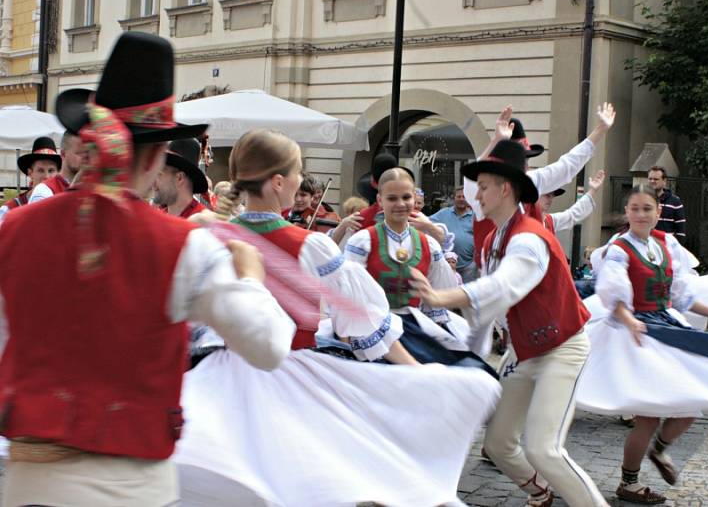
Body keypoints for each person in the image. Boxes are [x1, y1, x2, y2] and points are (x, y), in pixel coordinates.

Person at [0, 31, 296, 507]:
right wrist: (250, 275)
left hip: (31, 485)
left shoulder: (13, 229)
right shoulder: (184, 248)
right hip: (132, 489)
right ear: (159, 158)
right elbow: (267, 346)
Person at [174, 129, 500, 507]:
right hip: (290, 379)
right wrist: (418, 372)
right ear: (279, 182)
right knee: (318, 477)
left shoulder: (208, 234)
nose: (299, 183)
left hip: (218, 375)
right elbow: (363, 321)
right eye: (298, 173)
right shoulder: (310, 245)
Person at [410, 139, 608, 507]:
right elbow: (491, 311)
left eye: (482, 186)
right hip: (524, 351)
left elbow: (502, 285)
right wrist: (468, 357)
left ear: (504, 189)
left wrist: (442, 298)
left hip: (563, 347)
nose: (476, 194)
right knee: (498, 444)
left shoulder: (529, 239)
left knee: (543, 448)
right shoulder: (493, 240)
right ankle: (541, 493)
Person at [576, 184, 708, 504]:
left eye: (647, 208)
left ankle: (659, 451)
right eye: (634, 208)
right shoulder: (620, 248)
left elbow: (681, 295)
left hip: (664, 326)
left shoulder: (666, 243)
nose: (640, 214)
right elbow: (612, 293)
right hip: (634, 334)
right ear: (627, 213)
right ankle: (630, 483)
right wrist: (630, 318)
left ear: (658, 213)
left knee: (692, 400)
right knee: (648, 415)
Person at [346, 167, 495, 372]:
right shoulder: (362, 242)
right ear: (380, 200)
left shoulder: (428, 244)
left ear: (414, 197)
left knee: (469, 370)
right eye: (392, 198)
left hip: (413, 326)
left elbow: (444, 289)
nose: (400, 204)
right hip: (372, 329)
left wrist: (436, 320)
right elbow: (348, 293)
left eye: (406, 197)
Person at [466, 103, 616, 269]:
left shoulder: (529, 181)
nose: (525, 165)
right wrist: (496, 141)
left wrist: (599, 131)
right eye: (519, 159)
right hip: (495, 276)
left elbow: (566, 166)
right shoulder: (486, 192)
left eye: (526, 159)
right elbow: (472, 181)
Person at [0, 137, 61, 220]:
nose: (46, 176)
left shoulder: (64, 204)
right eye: (40, 170)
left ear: (58, 173)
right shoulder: (9, 210)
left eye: (51, 171)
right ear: (30, 173)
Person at [152, 138, 209, 218]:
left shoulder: (205, 224)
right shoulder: (156, 219)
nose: (153, 183)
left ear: (179, 178)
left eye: (159, 175)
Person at [430, 186, 477, 282]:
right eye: (458, 196)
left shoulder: (475, 216)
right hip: (447, 264)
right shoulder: (444, 213)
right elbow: (427, 222)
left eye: (464, 197)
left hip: (469, 266)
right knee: (448, 292)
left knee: (467, 293)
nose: (461, 199)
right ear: (454, 198)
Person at [538, 169, 606, 234]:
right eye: (547, 195)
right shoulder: (527, 221)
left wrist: (592, 190)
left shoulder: (549, 220)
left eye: (552, 195)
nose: (551, 199)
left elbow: (572, 215)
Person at [648, 166, 686, 243]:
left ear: (664, 181)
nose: (652, 181)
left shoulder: (675, 201)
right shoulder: (643, 200)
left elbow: (680, 231)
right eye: (650, 179)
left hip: (666, 247)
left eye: (656, 179)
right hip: (647, 246)